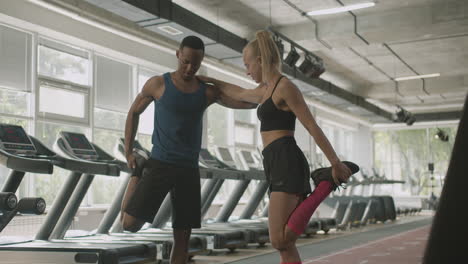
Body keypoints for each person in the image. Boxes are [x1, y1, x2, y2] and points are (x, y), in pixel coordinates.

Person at [198, 30, 358, 264]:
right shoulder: (265, 90)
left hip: (286, 159)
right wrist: (210, 81)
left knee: (279, 240)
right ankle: (324, 184)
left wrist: (335, 162)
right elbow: (239, 93)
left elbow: (312, 126)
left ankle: (325, 185)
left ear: (260, 61)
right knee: (285, 246)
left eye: (248, 64)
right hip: (274, 161)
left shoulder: (285, 88)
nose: (247, 70)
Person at [121, 35, 257, 264]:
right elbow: (134, 112)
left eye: (195, 64)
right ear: (178, 55)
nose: (190, 67)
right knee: (129, 225)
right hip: (160, 164)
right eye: (186, 61)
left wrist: (216, 81)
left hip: (188, 170)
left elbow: (248, 102)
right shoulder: (158, 84)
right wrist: (128, 151)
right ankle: (137, 172)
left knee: (183, 240)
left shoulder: (206, 91)